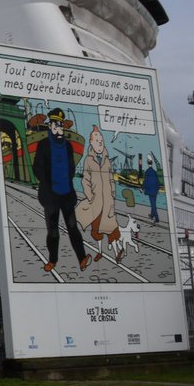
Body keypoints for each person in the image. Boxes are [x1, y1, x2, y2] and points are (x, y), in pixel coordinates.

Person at [32, 108, 90, 273]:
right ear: (50, 125)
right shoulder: (43, 145)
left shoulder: (68, 146)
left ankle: (82, 258)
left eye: (61, 125)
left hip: (66, 195)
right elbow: (37, 167)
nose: (59, 127)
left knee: (73, 227)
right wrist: (48, 183)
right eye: (55, 124)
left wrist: (66, 180)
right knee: (53, 231)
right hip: (50, 196)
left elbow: (72, 167)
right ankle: (52, 260)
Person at [75, 125, 122, 262]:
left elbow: (111, 178)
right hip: (96, 202)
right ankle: (100, 251)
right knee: (96, 229)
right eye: (97, 140)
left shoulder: (107, 160)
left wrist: (113, 193)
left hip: (107, 201)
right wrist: (90, 196)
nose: (100, 142)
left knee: (111, 228)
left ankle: (117, 252)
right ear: (91, 143)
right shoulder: (88, 160)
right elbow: (85, 180)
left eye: (101, 140)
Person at [144, 154, 161, 223]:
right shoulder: (155, 172)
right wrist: (158, 189)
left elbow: (146, 182)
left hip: (150, 191)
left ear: (148, 164)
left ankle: (157, 218)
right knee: (153, 203)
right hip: (155, 191)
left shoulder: (147, 172)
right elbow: (157, 182)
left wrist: (142, 188)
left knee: (153, 205)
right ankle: (151, 215)